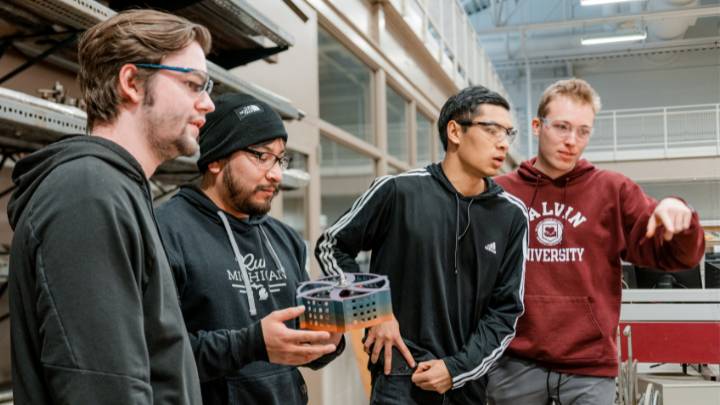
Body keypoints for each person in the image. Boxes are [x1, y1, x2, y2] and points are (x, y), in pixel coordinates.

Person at [6, 10, 215, 404]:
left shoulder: (117, 189)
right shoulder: (88, 195)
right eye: (193, 84)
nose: (208, 104)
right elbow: (105, 388)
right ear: (132, 82)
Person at [488, 78, 705, 405]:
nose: (571, 141)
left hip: (589, 368)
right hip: (515, 365)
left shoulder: (614, 191)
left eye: (582, 131)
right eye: (561, 127)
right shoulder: (500, 193)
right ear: (537, 126)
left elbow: (675, 257)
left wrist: (682, 217)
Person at [316, 85, 528, 404]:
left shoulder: (511, 215)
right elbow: (331, 246)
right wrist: (375, 312)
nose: (503, 142)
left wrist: (456, 369)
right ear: (455, 131)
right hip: (398, 374)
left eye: (508, 133)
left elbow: (506, 311)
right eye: (491, 129)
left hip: (466, 383)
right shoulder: (398, 191)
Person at [155, 93, 344, 405]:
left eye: (280, 158)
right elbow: (156, 355)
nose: (276, 174)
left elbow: (295, 345)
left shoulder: (285, 239)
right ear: (215, 159)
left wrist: (327, 341)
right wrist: (252, 343)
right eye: (261, 156)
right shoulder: (165, 231)